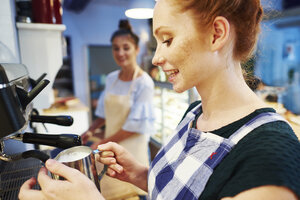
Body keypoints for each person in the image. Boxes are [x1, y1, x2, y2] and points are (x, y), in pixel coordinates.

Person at [19, 0, 300, 200]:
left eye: (167, 39)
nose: (156, 58)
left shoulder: (269, 153)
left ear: (217, 34)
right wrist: (140, 175)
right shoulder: (194, 113)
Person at [80, 19, 156, 199]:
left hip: (133, 149)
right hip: (111, 147)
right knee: (111, 189)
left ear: (136, 49)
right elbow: (105, 114)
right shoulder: (112, 78)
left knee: (134, 191)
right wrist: (90, 131)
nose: (120, 52)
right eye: (115, 48)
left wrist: (102, 143)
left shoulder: (144, 83)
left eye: (126, 47)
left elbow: (133, 127)